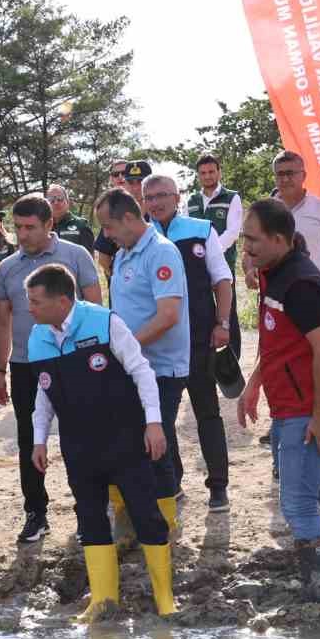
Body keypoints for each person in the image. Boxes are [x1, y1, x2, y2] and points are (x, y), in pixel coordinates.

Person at [236, 200, 320, 600]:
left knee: (297, 503)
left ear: (280, 239)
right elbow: (279, 340)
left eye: (252, 240)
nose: (246, 249)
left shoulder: (299, 284)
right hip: (318, 405)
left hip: (314, 411)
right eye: (245, 239)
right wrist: (254, 383)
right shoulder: (272, 272)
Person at [26, 263, 175, 618]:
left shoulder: (105, 322)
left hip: (124, 439)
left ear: (62, 301)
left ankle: (165, 597)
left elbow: (142, 371)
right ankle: (103, 600)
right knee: (90, 518)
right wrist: (39, 440)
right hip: (79, 446)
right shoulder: (37, 336)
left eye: (35, 301)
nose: (29, 308)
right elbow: (43, 394)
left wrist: (153, 423)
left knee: (146, 513)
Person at [0, 195, 103, 543]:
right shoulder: (8, 267)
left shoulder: (75, 256)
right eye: (18, 227)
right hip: (25, 364)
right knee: (29, 439)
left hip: (73, 362)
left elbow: (95, 306)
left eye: (30, 227)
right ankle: (35, 512)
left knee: (82, 436)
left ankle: (89, 512)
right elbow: (3, 321)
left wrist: (95, 359)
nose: (22, 235)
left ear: (49, 224)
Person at [94, 186, 187, 533]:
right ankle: (133, 521)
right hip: (130, 368)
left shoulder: (162, 253)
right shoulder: (122, 255)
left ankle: (164, 528)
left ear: (130, 218)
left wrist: (125, 348)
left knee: (154, 446)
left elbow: (167, 316)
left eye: (109, 226)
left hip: (161, 368)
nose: (106, 235)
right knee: (125, 445)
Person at [144, 174, 234, 511]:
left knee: (207, 412)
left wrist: (222, 323)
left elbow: (222, 280)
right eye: (149, 197)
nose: (156, 202)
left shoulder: (202, 229)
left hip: (198, 339)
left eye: (162, 195)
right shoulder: (140, 236)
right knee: (162, 418)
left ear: (177, 196)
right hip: (157, 343)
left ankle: (218, 486)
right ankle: (173, 482)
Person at [261, 151, 320, 318]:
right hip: (275, 296)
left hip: (315, 292)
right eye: (280, 174)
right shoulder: (264, 212)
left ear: (303, 175)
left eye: (290, 173)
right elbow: (253, 249)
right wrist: (250, 267)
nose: (285, 179)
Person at [189, 153, 245, 357]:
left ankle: (233, 358)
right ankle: (208, 358)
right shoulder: (192, 200)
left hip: (223, 265)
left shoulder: (232, 197)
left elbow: (232, 233)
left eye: (211, 171)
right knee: (203, 312)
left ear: (219, 172)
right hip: (197, 268)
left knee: (228, 314)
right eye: (203, 173)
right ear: (198, 176)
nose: (208, 176)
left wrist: (210, 252)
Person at [92, 159, 135, 285]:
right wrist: (121, 279)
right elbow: (103, 257)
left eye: (125, 173)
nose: (121, 177)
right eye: (116, 174)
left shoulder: (149, 205)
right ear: (111, 179)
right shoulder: (108, 210)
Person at [47, 183, 97, 252]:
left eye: (60, 199)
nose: (56, 202)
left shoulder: (81, 225)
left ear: (67, 201)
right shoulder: (43, 227)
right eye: (51, 200)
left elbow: (89, 258)